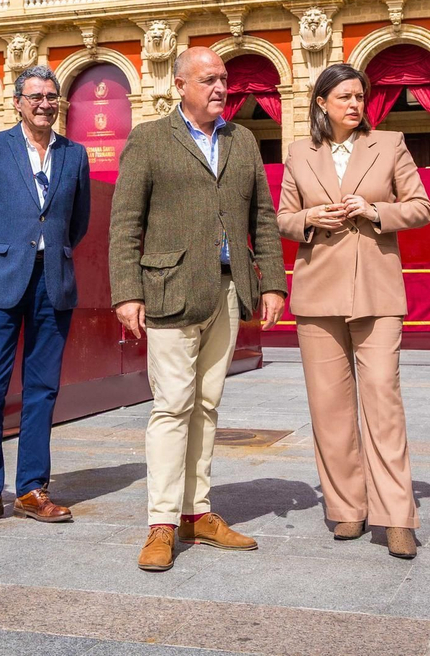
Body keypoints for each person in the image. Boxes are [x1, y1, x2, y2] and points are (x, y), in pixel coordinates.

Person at [109, 46, 287, 572]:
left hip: (229, 290)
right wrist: (127, 292)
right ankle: (161, 523)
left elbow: (262, 217)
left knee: (207, 405)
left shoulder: (242, 140)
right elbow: (125, 223)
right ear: (180, 85)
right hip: (170, 290)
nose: (220, 88)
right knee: (172, 406)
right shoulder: (148, 138)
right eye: (208, 79)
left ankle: (196, 513)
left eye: (224, 79)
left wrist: (273, 283)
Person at [275, 63, 430, 559]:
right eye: (344, 96)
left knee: (383, 400)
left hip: (377, 291)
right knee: (330, 408)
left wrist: (376, 211)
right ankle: (347, 507)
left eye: (360, 96)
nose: (355, 104)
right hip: (317, 290)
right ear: (322, 103)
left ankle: (397, 516)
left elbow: (422, 207)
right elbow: (282, 217)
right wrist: (309, 218)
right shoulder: (298, 152)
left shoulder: (389, 143)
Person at [0, 64, 92, 528]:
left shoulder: (75, 154)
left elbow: (78, 222)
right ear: (17, 103)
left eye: (51, 96)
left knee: (42, 390)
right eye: (35, 97)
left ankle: (33, 489)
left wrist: (49, 251)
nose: (44, 104)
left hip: (53, 281)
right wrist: (0, 255)